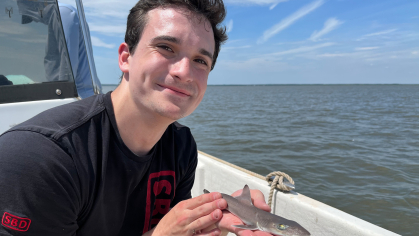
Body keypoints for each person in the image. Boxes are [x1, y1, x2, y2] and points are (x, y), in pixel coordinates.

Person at [0, 0, 272, 236]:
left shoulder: (181, 147)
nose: (184, 72)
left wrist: (216, 221)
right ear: (125, 57)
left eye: (201, 61)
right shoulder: (40, 158)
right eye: (166, 47)